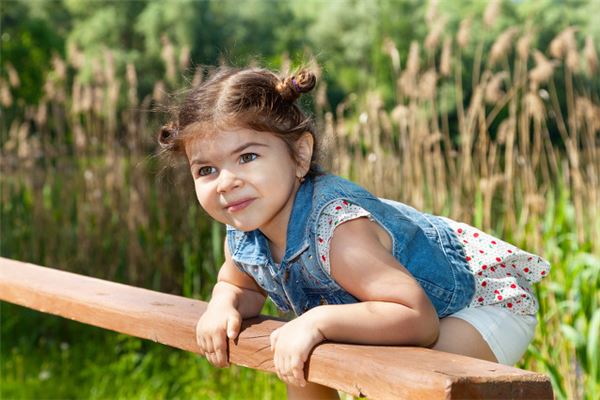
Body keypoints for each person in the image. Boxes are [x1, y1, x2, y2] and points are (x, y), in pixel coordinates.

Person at [157, 66, 550, 399]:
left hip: (479, 302)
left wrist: (317, 320)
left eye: (247, 157)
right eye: (206, 170)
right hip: (402, 309)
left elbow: (418, 318)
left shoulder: (339, 231)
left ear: (300, 155)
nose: (226, 182)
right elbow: (239, 286)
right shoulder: (243, 231)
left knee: (407, 382)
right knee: (300, 359)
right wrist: (221, 304)